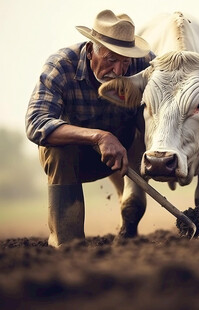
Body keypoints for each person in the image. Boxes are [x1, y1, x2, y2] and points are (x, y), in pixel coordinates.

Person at [25, 9, 154, 248]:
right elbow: (36, 123)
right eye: (111, 60)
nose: (118, 71)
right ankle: (67, 243)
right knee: (58, 150)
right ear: (90, 50)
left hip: (122, 151)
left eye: (124, 62)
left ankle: (130, 226)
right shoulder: (61, 66)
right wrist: (98, 137)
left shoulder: (144, 64)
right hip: (72, 159)